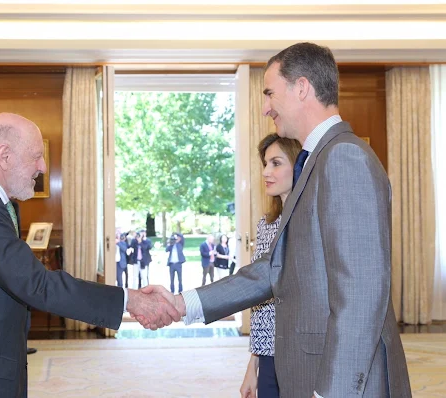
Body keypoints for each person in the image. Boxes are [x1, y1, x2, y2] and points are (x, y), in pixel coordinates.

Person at [141, 42, 412, 397]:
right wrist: (183, 303)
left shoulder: (343, 158)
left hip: (340, 384)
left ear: (301, 88)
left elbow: (361, 295)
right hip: (309, 370)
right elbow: (274, 268)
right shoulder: (317, 160)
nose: (266, 107)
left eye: (270, 93)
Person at [0, 113, 179, 398]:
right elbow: (37, 284)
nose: (43, 167)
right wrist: (129, 299)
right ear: (5, 155)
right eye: (36, 156)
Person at [239, 133, 301, 398]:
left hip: (302, 351)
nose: (266, 171)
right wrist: (252, 364)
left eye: (276, 163)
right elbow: (260, 302)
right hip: (268, 354)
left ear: (298, 167)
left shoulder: (312, 222)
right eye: (265, 163)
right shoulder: (265, 225)